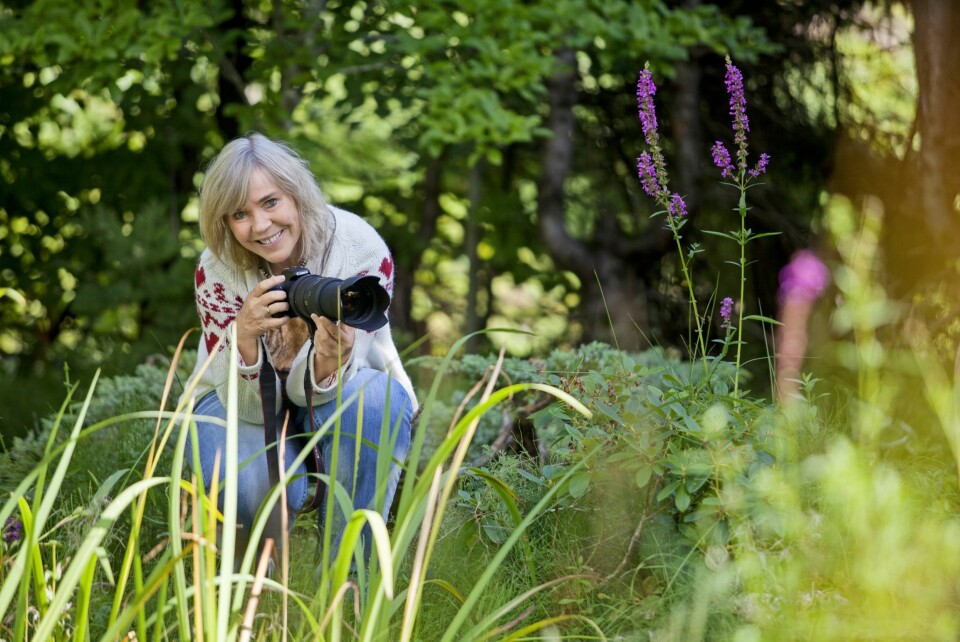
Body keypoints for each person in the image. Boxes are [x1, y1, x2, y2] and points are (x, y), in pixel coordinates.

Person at [181, 132, 417, 566]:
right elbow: (246, 410)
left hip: (341, 394)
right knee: (254, 480)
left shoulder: (360, 249)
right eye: (240, 214)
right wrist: (246, 339)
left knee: (376, 402)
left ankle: (346, 585)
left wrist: (331, 359)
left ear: (296, 194)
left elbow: (342, 390)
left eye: (271, 202)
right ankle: (253, 592)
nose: (261, 226)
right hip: (237, 400)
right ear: (224, 223)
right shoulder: (216, 271)